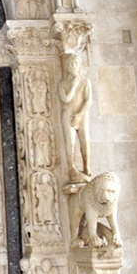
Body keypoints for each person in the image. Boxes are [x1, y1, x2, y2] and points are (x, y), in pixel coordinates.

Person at [58, 54, 91, 182]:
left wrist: (80, 115)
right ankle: (71, 167)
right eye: (70, 64)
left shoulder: (85, 81)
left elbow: (88, 101)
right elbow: (66, 99)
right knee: (70, 142)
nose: (73, 67)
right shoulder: (63, 84)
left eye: (75, 64)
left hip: (81, 114)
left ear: (79, 66)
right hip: (67, 113)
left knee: (85, 140)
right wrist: (73, 85)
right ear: (66, 67)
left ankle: (86, 167)